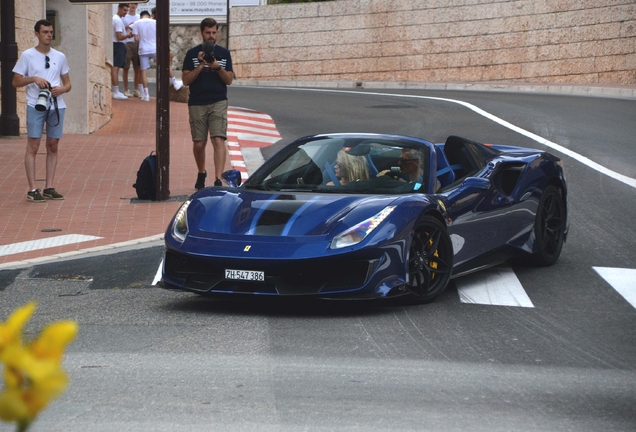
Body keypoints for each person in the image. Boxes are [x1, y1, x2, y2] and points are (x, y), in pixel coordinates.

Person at [12, 19, 71, 202]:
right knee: (34, 145)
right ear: (37, 34)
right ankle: (32, 188)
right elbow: (15, 82)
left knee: (53, 145)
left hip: (56, 104)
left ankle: (49, 186)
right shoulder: (27, 56)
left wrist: (62, 89)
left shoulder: (59, 56)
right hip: (35, 104)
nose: (49, 35)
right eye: (45, 32)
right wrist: (33, 79)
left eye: (51, 32)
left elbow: (68, 84)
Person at [182, 18, 234, 189]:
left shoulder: (224, 54)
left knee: (218, 139)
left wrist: (217, 66)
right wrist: (202, 64)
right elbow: (186, 80)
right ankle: (201, 171)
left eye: (214, 32)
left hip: (218, 101)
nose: (211, 36)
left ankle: (218, 179)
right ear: (201, 33)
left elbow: (229, 80)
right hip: (197, 102)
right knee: (199, 142)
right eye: (208, 33)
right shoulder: (192, 54)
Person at [131, 7, 156, 102]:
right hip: (154, 48)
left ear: (141, 16)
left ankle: (146, 94)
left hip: (143, 49)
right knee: (162, 67)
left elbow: (136, 39)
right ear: (149, 16)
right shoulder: (155, 22)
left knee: (143, 72)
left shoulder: (136, 23)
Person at [112, 3, 133, 100]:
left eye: (127, 10)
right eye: (124, 10)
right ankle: (116, 91)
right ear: (119, 8)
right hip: (118, 45)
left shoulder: (115, 19)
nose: (126, 13)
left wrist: (126, 28)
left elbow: (119, 32)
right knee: (116, 69)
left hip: (115, 44)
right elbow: (119, 37)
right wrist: (128, 36)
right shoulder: (118, 20)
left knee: (115, 68)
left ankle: (116, 90)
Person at [121, 3, 141, 98]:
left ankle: (136, 89)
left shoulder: (139, 17)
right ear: (129, 4)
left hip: (137, 43)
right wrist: (127, 27)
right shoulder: (125, 17)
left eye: (135, 4)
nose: (133, 5)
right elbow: (120, 30)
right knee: (126, 67)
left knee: (137, 68)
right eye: (132, 3)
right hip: (127, 43)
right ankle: (126, 89)